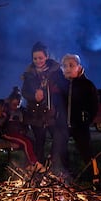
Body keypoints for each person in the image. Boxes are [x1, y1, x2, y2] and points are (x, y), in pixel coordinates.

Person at [21, 41, 68, 170]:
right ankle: (39, 167)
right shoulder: (29, 74)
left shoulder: (56, 71)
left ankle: (57, 166)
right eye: (35, 58)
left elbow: (63, 88)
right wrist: (33, 95)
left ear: (47, 57)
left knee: (58, 138)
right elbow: (24, 92)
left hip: (52, 112)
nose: (38, 61)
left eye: (40, 58)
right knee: (39, 140)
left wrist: (51, 94)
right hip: (35, 113)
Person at [61, 53, 99, 183]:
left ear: (79, 67)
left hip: (80, 125)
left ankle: (94, 177)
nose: (68, 68)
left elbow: (94, 105)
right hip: (65, 125)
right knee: (60, 149)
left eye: (71, 65)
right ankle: (66, 174)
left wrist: (86, 120)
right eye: (65, 66)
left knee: (86, 150)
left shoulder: (87, 85)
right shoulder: (63, 85)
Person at [0, 87, 45, 172]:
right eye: (14, 104)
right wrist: (1, 115)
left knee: (31, 141)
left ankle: (27, 165)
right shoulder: (5, 110)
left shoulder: (21, 111)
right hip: (7, 133)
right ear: (10, 102)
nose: (16, 106)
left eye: (18, 104)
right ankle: (34, 163)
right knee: (25, 142)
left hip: (18, 133)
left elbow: (26, 121)